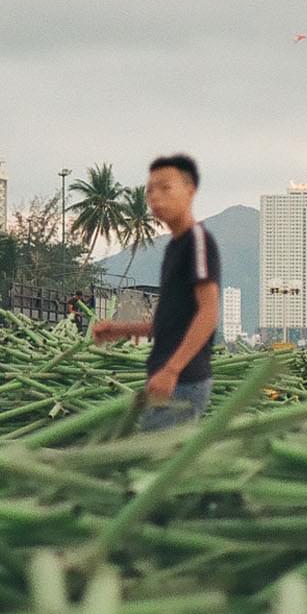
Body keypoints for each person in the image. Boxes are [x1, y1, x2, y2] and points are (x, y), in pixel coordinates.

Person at [93, 154, 220, 431]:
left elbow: (209, 313)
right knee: (154, 461)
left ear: (190, 191)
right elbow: (172, 325)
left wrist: (172, 370)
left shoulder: (196, 242)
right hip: (169, 381)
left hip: (183, 382)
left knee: (148, 462)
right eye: (150, 190)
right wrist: (121, 328)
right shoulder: (175, 247)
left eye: (165, 188)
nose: (155, 198)